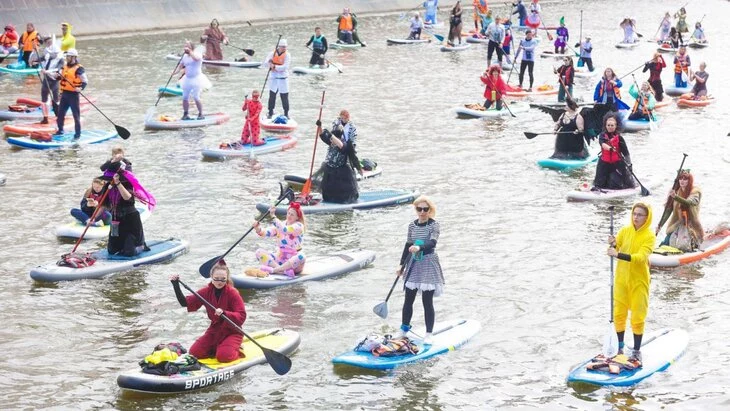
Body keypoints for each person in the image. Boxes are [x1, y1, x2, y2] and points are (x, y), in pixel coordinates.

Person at [607, 202, 656, 366]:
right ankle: (619, 348)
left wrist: (618, 254)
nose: (636, 217)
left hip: (639, 280)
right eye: (634, 214)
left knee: (637, 316)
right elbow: (616, 246)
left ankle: (636, 350)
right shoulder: (624, 231)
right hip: (621, 279)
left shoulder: (649, 236)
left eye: (640, 215)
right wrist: (613, 243)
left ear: (646, 217)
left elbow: (641, 257)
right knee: (619, 313)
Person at [169, 262, 247, 363]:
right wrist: (176, 285)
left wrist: (225, 313)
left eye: (223, 279)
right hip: (214, 330)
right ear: (211, 277)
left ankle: (236, 349)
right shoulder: (206, 292)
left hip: (232, 331)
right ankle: (219, 347)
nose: (219, 282)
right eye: (216, 278)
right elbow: (185, 303)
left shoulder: (233, 293)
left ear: (227, 278)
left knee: (223, 357)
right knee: (194, 353)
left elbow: (242, 316)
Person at [394, 196, 445, 345]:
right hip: (413, 263)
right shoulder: (412, 225)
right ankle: (404, 329)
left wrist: (419, 247)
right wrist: (401, 265)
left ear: (430, 210)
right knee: (408, 299)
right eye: (419, 209)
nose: (422, 212)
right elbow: (407, 245)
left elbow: (432, 242)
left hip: (428, 263)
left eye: (425, 209)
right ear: (416, 209)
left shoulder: (434, 225)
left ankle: (429, 334)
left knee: (426, 301)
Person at [101, 162, 151, 257]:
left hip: (130, 220)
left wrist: (118, 184)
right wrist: (93, 218)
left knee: (129, 252)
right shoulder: (108, 186)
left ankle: (141, 246)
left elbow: (127, 197)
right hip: (116, 220)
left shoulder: (127, 184)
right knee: (111, 251)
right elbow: (103, 204)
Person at [315, 110, 363, 204]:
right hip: (330, 168)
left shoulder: (344, 145)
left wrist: (330, 135)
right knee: (328, 187)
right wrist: (319, 126)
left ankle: (342, 201)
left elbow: (340, 145)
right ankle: (329, 199)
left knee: (342, 189)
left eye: (332, 140)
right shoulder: (331, 142)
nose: (331, 142)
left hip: (341, 170)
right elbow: (321, 135)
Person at [253, 202, 307, 279]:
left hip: (294, 263)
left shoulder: (299, 226)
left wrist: (273, 216)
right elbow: (266, 232)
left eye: (292, 214)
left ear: (297, 217)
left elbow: (284, 230)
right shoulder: (282, 224)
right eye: (288, 213)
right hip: (281, 259)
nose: (289, 216)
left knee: (302, 256)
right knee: (259, 252)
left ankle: (274, 270)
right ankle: (282, 271)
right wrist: (258, 228)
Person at [656, 170, 703, 251]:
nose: (682, 181)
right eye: (680, 179)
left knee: (691, 243)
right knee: (666, 242)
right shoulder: (675, 191)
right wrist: (660, 224)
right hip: (677, 222)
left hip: (691, 223)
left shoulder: (695, 191)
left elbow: (690, 202)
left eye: (685, 179)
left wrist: (676, 197)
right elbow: (668, 210)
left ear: (689, 180)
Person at [593, 112, 635, 190]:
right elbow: (603, 144)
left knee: (615, 184)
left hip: (617, 164)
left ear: (616, 126)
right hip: (604, 164)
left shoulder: (620, 138)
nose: (610, 127)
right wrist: (610, 149)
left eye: (612, 125)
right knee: (599, 184)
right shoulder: (602, 136)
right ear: (605, 126)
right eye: (608, 125)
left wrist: (629, 164)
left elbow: (626, 153)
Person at [54, 49, 86, 139]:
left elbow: (85, 81)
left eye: (68, 56)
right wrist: (54, 76)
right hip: (64, 94)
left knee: (76, 116)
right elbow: (59, 78)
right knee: (60, 114)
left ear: (73, 57)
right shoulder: (64, 67)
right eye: (67, 56)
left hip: (73, 95)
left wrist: (80, 88)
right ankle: (60, 130)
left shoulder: (79, 69)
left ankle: (77, 134)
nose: (67, 58)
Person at [175, 40, 209, 120]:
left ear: (191, 48)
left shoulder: (197, 54)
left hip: (197, 78)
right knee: (185, 97)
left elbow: (196, 59)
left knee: (196, 97)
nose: (185, 48)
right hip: (187, 79)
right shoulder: (184, 56)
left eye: (187, 46)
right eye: (185, 46)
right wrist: (174, 72)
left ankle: (201, 114)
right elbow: (180, 66)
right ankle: (185, 114)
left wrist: (190, 52)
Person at [34, 42, 64, 125]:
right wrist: (35, 55)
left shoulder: (60, 59)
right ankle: (45, 118)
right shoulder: (47, 56)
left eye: (53, 53)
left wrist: (46, 71)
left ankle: (59, 117)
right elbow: (36, 60)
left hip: (54, 80)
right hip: (46, 80)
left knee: (56, 99)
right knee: (44, 99)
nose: (51, 55)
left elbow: (58, 69)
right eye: (50, 53)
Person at [263, 39, 290, 119]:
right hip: (273, 77)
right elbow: (265, 63)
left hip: (283, 78)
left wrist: (275, 67)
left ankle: (286, 113)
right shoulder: (272, 53)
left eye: (285, 47)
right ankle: (270, 112)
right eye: (283, 47)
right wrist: (269, 62)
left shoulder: (287, 55)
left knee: (284, 96)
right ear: (279, 47)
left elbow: (285, 67)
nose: (284, 49)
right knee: (272, 95)